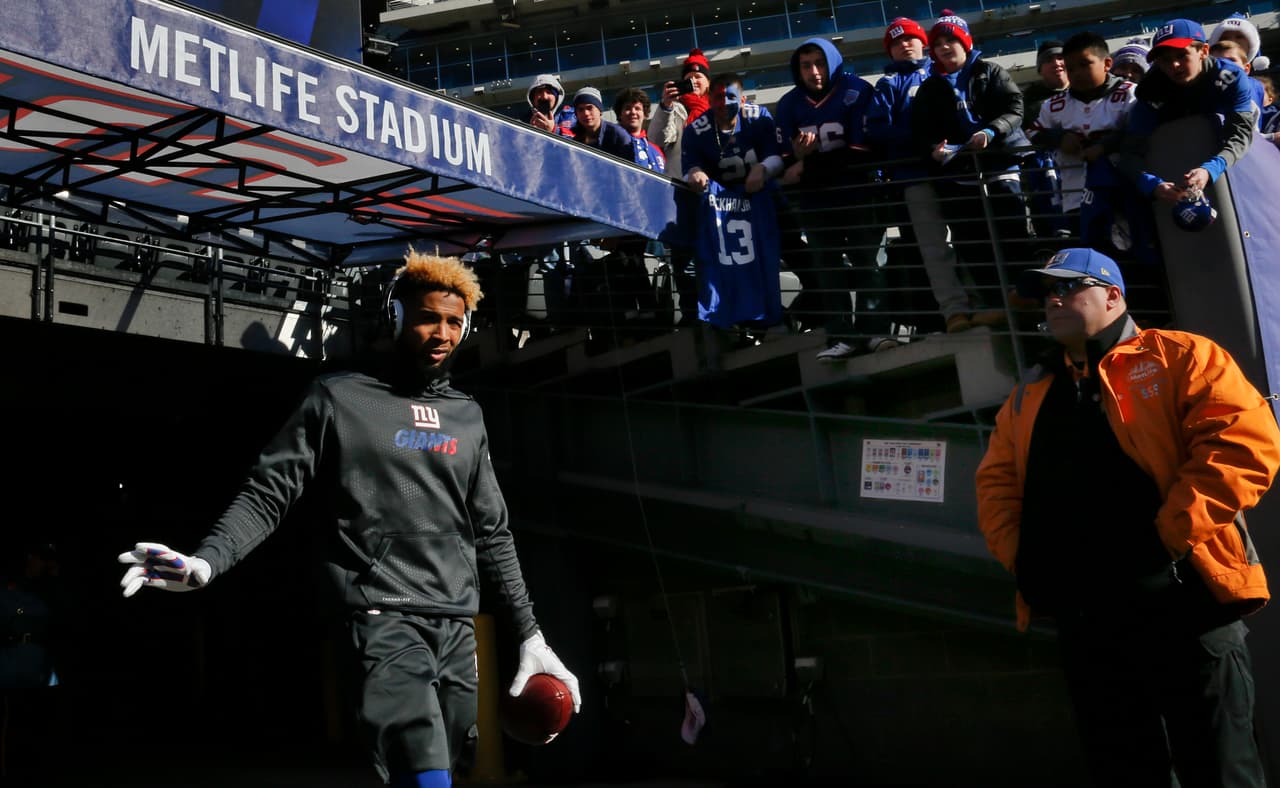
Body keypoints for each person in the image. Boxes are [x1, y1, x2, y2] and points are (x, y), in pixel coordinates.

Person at [118, 251, 580, 788]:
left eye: (455, 322)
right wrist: (208, 560)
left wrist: (529, 632)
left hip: (456, 626)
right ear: (396, 317)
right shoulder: (339, 396)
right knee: (423, 768)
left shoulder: (467, 416)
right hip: (382, 619)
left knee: (451, 767)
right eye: (429, 317)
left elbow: (492, 531)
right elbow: (270, 492)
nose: (442, 333)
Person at [975, 246, 1280, 787]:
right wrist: (1024, 560)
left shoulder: (1180, 356)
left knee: (1222, 769)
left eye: (1069, 287)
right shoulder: (1030, 395)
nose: (1054, 300)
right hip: (1089, 625)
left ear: (1113, 295)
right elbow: (996, 483)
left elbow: (1243, 444)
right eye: (1047, 292)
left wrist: (1166, 540)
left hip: (1186, 608)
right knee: (1123, 769)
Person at [775, 37, 900, 359]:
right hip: (817, 200)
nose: (814, 72)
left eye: (820, 63)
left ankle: (875, 332)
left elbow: (862, 152)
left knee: (868, 262)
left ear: (832, 61)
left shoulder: (856, 91)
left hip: (858, 193)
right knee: (828, 267)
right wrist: (799, 159)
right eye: (806, 65)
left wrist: (808, 163)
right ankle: (841, 336)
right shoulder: (790, 104)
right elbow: (787, 165)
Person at [911, 10, 1033, 326]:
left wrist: (991, 132)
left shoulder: (990, 71)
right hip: (959, 174)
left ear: (965, 42)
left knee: (1012, 231)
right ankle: (995, 305)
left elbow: (1014, 108)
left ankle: (1027, 298)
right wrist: (932, 150)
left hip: (1000, 164)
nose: (944, 47)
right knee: (973, 241)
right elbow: (921, 130)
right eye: (937, 43)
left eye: (951, 40)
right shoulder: (929, 87)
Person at [866, 17, 984, 334]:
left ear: (925, 43)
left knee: (970, 239)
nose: (905, 44)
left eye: (911, 38)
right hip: (915, 176)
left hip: (956, 172)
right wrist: (922, 142)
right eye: (896, 42)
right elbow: (877, 130)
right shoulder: (888, 85)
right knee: (934, 249)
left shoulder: (946, 72)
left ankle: (983, 303)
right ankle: (954, 310)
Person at [1029, 32, 1155, 266]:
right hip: (1075, 198)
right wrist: (1058, 137)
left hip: (1124, 192)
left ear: (1107, 63)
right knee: (1093, 264)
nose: (1076, 73)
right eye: (1070, 68)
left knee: (1135, 260)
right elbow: (1033, 133)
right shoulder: (1054, 105)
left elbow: (1142, 132)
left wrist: (1105, 146)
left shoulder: (1129, 94)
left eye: (1084, 65)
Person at [682, 72, 784, 331]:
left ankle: (776, 317)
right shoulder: (697, 129)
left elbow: (777, 155)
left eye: (730, 96)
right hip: (723, 210)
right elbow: (690, 166)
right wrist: (696, 173)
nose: (724, 102)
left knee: (779, 252)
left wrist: (763, 168)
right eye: (717, 97)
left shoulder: (758, 118)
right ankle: (728, 321)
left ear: (742, 98)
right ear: (709, 99)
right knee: (720, 263)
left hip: (763, 200)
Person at [1117, 19, 1256, 206]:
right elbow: (1129, 153)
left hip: (1231, 174)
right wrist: (1152, 184)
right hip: (1173, 175)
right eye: (1165, 60)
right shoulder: (1150, 90)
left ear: (1204, 51)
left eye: (1182, 55)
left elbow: (1240, 136)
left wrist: (1210, 169)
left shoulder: (1231, 77)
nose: (1174, 65)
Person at [649, 47, 713, 325]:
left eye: (699, 76)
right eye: (689, 76)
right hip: (682, 195)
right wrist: (664, 107)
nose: (694, 80)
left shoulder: (719, 106)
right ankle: (692, 319)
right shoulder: (676, 109)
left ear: (709, 81)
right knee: (684, 264)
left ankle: (718, 315)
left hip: (716, 196)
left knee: (715, 260)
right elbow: (656, 139)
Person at [1021, 40, 1069, 246]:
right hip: (1044, 178)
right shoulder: (1027, 100)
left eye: (1060, 57)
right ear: (1040, 68)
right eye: (1050, 60)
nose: (1057, 63)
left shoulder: (1085, 91)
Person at [1209, 39, 1267, 129]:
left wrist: (1272, 137)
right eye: (1218, 62)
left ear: (1246, 68)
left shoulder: (1250, 105)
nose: (1225, 66)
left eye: (1231, 61)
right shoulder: (1199, 96)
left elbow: (1253, 138)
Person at [613, 87, 666, 173]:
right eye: (627, 108)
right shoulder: (611, 143)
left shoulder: (656, 150)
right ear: (619, 114)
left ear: (645, 114)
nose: (633, 112)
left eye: (637, 108)